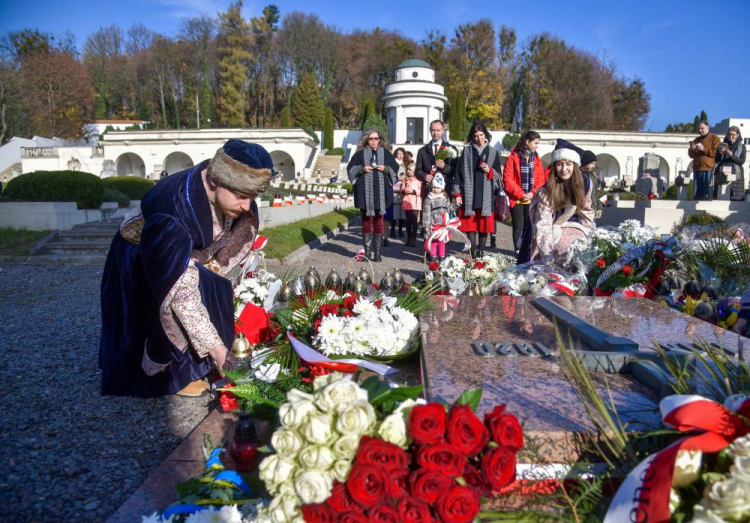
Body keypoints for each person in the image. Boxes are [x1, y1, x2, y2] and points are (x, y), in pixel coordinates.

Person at [99, 139, 275, 398]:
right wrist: (218, 350)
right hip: (143, 255)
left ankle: (197, 365)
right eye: (241, 196)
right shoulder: (173, 209)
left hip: (187, 254)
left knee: (208, 288)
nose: (247, 206)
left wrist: (212, 272)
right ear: (216, 181)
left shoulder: (229, 192)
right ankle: (169, 376)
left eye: (252, 198)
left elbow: (223, 249)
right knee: (164, 310)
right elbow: (181, 290)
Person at [517, 141, 595, 265]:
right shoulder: (547, 190)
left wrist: (590, 236)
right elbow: (543, 224)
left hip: (573, 227)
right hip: (550, 229)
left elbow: (586, 211)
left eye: (568, 164)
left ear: (575, 165)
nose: (564, 169)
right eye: (559, 164)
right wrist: (548, 258)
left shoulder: (585, 183)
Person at [346, 128, 399, 262]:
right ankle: (368, 253)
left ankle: (378, 253)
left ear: (379, 140)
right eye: (371, 139)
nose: (373, 141)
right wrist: (361, 169)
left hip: (381, 194)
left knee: (379, 222)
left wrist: (385, 168)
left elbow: (395, 168)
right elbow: (350, 168)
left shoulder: (386, 154)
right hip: (365, 194)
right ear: (367, 140)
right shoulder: (360, 154)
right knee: (366, 222)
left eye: (376, 139)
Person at [452, 122, 503, 258]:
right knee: (471, 226)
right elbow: (458, 173)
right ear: (472, 137)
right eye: (475, 136)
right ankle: (473, 253)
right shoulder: (467, 151)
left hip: (486, 195)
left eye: (481, 135)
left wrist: (490, 171)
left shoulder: (492, 152)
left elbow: (499, 176)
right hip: (470, 194)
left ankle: (481, 253)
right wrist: (457, 194)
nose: (479, 138)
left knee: (483, 226)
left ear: (486, 135)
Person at [503, 130, 547, 253]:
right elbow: (507, 179)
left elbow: (540, 179)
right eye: (535, 143)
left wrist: (533, 193)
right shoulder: (513, 157)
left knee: (531, 226)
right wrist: (521, 194)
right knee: (518, 226)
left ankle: (528, 250)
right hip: (517, 198)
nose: (537, 146)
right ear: (527, 142)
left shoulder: (537, 159)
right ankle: (518, 250)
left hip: (531, 198)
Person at [688, 120, 721, 200]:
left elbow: (716, 153)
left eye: (702, 128)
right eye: (699, 129)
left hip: (708, 169)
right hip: (697, 169)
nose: (700, 130)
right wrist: (691, 149)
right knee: (697, 193)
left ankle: (705, 209)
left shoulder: (715, 139)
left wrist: (704, 149)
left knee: (706, 192)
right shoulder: (696, 140)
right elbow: (691, 155)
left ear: (708, 127)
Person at [422, 173, 452, 262]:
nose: (435, 190)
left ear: (442, 188)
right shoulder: (428, 199)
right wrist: (426, 226)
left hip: (443, 225)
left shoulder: (445, 198)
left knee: (442, 241)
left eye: (438, 188)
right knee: (433, 241)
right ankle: (433, 257)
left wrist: (456, 205)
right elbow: (426, 213)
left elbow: (450, 208)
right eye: (434, 187)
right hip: (433, 224)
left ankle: (442, 257)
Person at [713, 126, 746, 201]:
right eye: (729, 134)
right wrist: (720, 153)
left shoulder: (742, 146)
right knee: (719, 196)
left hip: (736, 174)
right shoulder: (722, 145)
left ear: (738, 134)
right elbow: (716, 160)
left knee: (735, 197)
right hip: (722, 172)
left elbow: (741, 161)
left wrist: (732, 155)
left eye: (733, 134)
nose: (730, 136)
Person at [401, 162, 423, 247]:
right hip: (407, 202)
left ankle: (413, 239)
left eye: (410, 169)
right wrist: (403, 190)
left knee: (414, 222)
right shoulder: (406, 180)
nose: (408, 171)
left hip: (415, 204)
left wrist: (413, 191)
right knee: (408, 222)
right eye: (408, 169)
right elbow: (402, 189)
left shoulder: (418, 182)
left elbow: (421, 191)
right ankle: (408, 238)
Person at [579, 150, 602, 219]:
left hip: (592, 211)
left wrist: (599, 208)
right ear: (585, 162)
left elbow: (595, 194)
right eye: (592, 163)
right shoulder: (577, 176)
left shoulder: (592, 176)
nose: (594, 166)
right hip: (580, 213)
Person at [391, 148, 407, 239]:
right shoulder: (393, 164)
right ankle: (393, 230)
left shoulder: (405, 164)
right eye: (398, 153)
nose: (400, 155)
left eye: (402, 154)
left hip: (403, 190)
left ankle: (400, 230)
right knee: (395, 212)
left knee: (402, 212)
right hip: (395, 189)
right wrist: (398, 178)